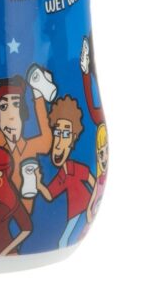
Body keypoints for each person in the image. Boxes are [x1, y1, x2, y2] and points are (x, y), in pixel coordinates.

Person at [0, 74, 53, 212]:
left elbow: (47, 142)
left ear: (23, 112)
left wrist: (38, 94)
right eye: (3, 107)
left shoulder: (30, 147)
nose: (11, 115)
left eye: (16, 104)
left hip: (28, 218)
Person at [34, 96, 95, 248]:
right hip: (73, 213)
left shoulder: (74, 167)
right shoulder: (62, 174)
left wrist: (90, 206)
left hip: (81, 210)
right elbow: (49, 195)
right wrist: (38, 184)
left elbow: (94, 182)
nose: (59, 141)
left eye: (66, 134)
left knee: (63, 241)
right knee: (63, 240)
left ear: (73, 139)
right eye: (57, 132)